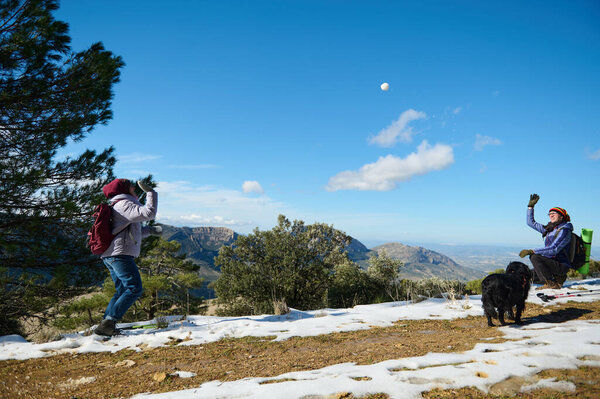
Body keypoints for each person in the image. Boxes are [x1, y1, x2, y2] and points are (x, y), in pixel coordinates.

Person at [94, 178, 161, 337]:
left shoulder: (119, 205)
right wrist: (151, 193)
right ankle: (109, 322)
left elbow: (128, 232)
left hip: (112, 254)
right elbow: (148, 213)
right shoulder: (124, 204)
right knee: (134, 288)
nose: (134, 187)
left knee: (122, 290)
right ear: (124, 189)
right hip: (119, 254)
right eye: (130, 185)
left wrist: (150, 231)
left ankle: (106, 325)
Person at [519, 193, 572, 289]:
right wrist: (530, 207)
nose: (551, 215)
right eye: (550, 214)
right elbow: (531, 223)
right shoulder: (549, 229)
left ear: (561, 216)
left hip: (561, 265)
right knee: (526, 276)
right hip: (550, 264)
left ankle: (551, 283)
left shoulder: (564, 230)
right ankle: (556, 278)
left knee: (534, 257)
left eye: (554, 214)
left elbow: (554, 249)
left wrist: (533, 251)